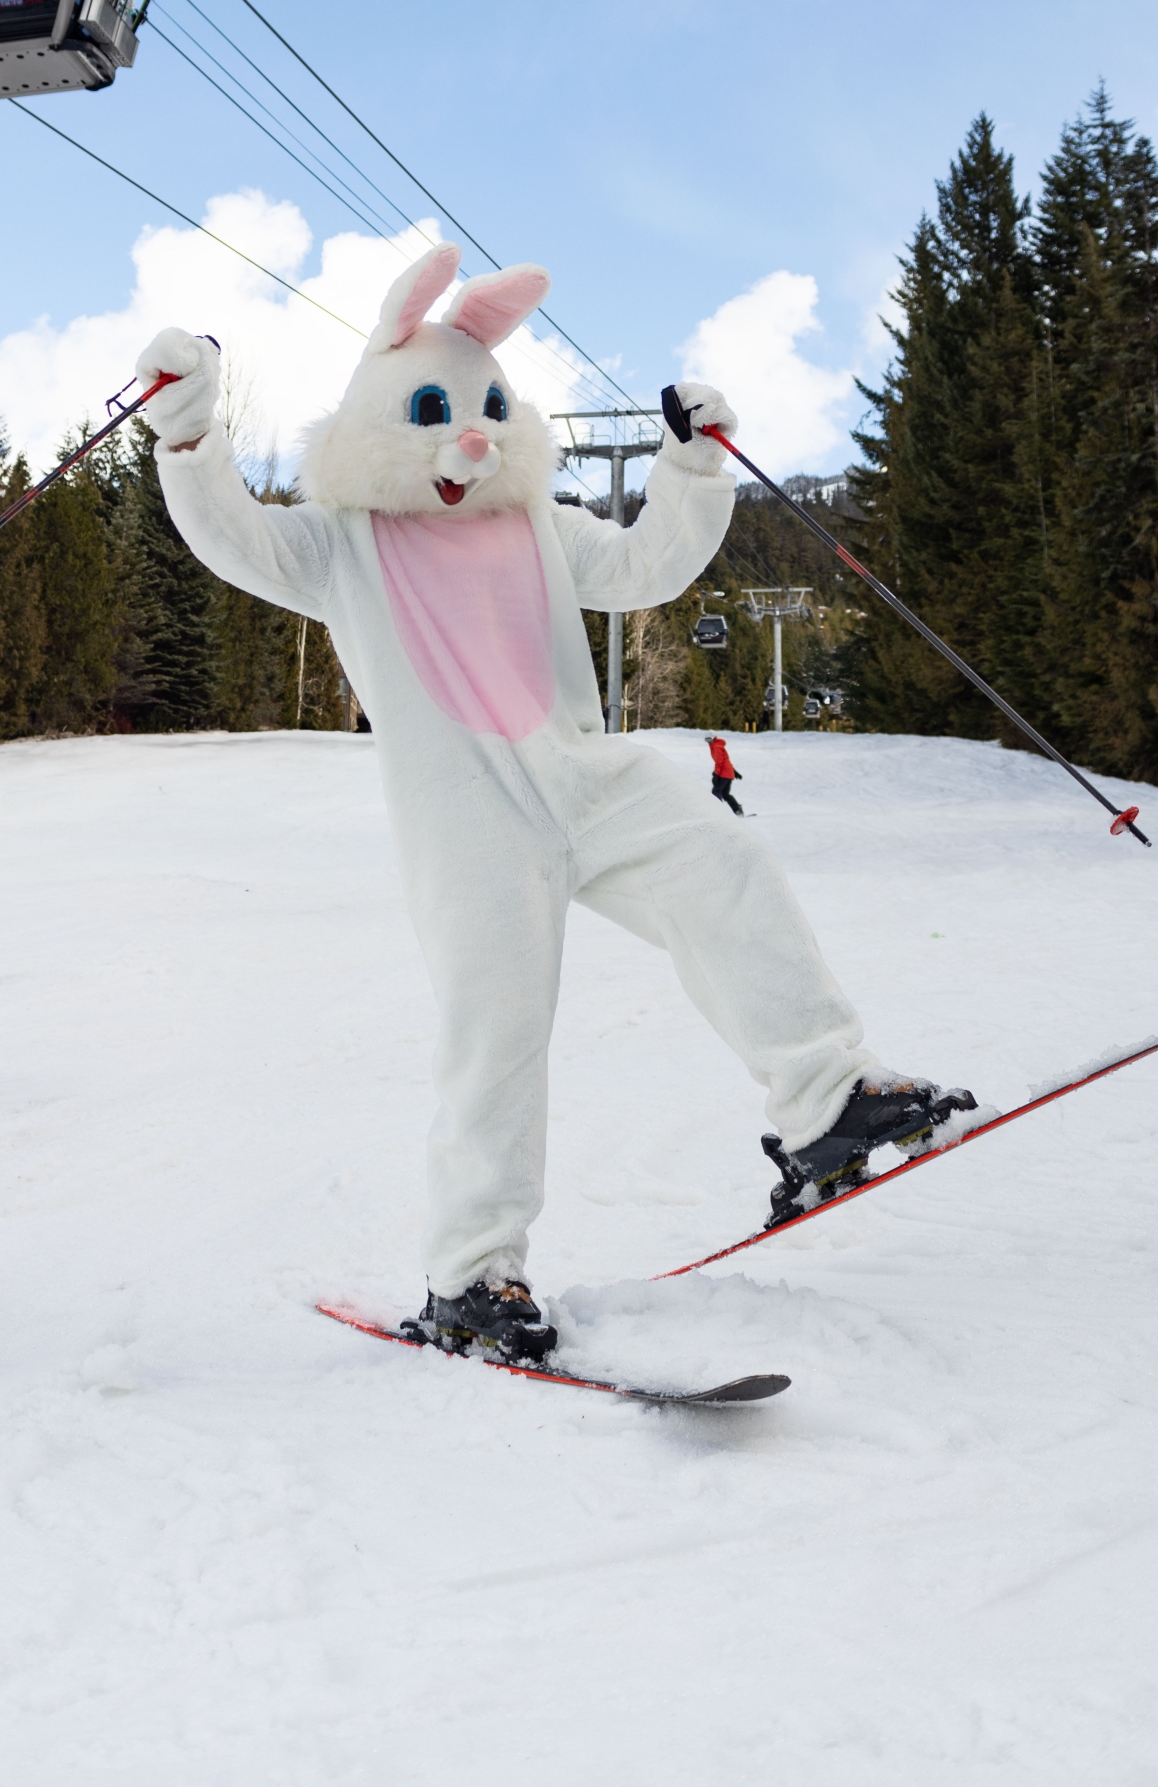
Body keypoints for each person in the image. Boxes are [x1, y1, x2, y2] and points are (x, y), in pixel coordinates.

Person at [136, 243, 970, 1363]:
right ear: (378, 415)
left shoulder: (534, 520)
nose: (466, 434)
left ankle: (824, 1101)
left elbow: (644, 569)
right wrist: (192, 434)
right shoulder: (344, 542)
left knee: (724, 869)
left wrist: (689, 469)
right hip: (468, 821)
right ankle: (474, 1276)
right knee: (498, 1037)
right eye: (432, 409)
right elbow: (234, 536)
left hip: (583, 776)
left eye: (484, 406)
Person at [706, 734, 744, 815]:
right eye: (706, 740)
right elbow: (726, 760)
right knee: (725, 794)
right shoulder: (718, 745)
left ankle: (718, 812)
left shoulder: (716, 747)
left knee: (716, 791)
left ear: (714, 738)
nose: (708, 741)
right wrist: (734, 772)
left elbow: (720, 762)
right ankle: (737, 810)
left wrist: (716, 775)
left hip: (724, 773)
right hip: (728, 772)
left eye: (709, 739)